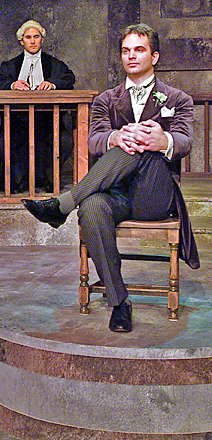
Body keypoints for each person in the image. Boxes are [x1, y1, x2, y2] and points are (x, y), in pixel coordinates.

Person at [22, 23, 199, 332]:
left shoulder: (177, 98)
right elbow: (94, 141)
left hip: (154, 194)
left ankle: (62, 205)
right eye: (126, 50)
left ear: (154, 56)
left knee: (140, 139)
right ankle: (119, 302)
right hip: (115, 190)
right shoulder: (106, 99)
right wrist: (116, 136)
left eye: (139, 49)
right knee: (91, 208)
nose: (131, 56)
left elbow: (185, 142)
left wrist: (163, 140)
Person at [0, 20, 75, 193]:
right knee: (1, 143)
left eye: (36, 37)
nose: (32, 41)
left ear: (42, 39)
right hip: (17, 122)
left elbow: (68, 78)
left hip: (48, 121)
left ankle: (49, 179)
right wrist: (12, 85)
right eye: (28, 37)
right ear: (22, 41)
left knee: (65, 141)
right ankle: (16, 181)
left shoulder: (54, 64)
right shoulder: (10, 65)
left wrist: (53, 84)